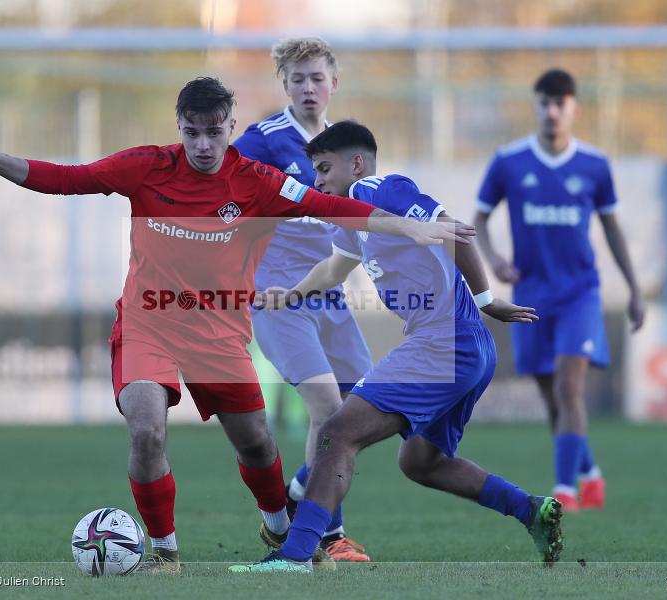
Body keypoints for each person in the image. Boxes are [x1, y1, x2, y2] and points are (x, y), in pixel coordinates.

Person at [0, 78, 475, 575]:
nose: (203, 146)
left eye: (214, 133)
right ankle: (165, 551)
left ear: (230, 128)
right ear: (180, 129)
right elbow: (66, 179)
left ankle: (280, 529)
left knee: (258, 445)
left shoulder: (257, 182)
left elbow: (330, 206)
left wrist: (407, 224)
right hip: (149, 324)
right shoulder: (147, 166)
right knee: (146, 429)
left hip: (218, 333)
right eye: (192, 133)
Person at [230, 121, 563, 573]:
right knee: (421, 462)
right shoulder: (353, 220)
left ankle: (295, 553)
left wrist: (487, 299)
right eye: (314, 171)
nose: (319, 180)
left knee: (335, 432)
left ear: (357, 163)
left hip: (443, 343)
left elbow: (454, 229)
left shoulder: (381, 187)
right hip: (466, 351)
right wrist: (287, 296)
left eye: (325, 168)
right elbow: (332, 270)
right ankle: (530, 510)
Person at [472, 68, 645, 512]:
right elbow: (479, 221)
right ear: (536, 107)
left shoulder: (594, 164)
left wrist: (635, 289)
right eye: (545, 102)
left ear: (574, 108)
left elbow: (612, 229)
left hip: (579, 294)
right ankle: (590, 475)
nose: (552, 111)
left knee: (570, 389)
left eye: (560, 103)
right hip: (531, 295)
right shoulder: (509, 161)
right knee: (552, 397)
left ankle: (565, 492)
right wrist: (493, 260)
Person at [233, 37, 372, 562]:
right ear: (284, 85)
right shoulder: (263, 141)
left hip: (330, 299)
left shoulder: (349, 146)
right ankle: (327, 537)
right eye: (297, 79)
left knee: (363, 414)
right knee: (329, 411)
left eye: (317, 78)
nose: (308, 88)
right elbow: (219, 185)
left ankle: (297, 498)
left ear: (334, 82)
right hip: (277, 299)